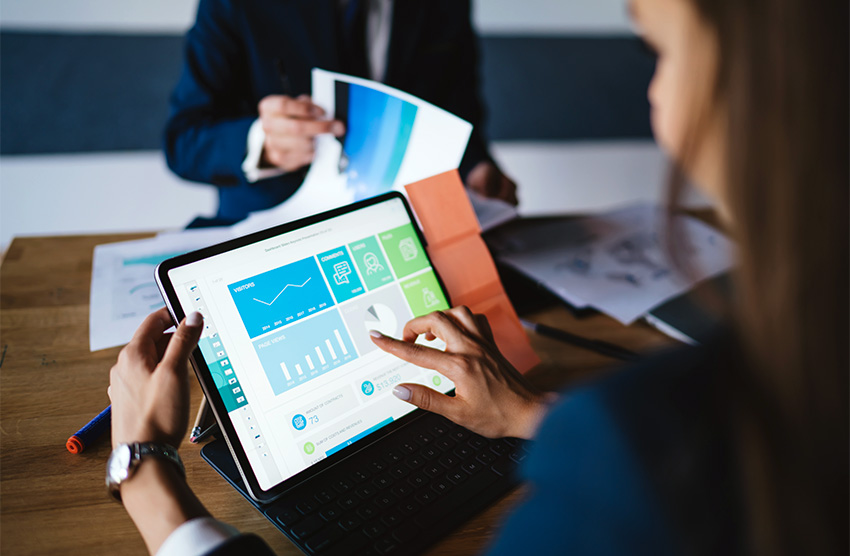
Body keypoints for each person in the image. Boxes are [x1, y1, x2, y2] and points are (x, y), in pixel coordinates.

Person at [110, 0, 847, 554]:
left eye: (660, 51)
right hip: (264, 234)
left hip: (399, 254)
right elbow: (182, 135)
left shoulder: (630, 451)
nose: (653, 96)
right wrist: (256, 139)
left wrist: (145, 470)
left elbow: (465, 129)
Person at [164, 0, 518, 227]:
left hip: (406, 228)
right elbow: (183, 141)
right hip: (274, 231)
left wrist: (475, 165)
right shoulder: (234, 6)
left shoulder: (444, 8)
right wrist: (261, 143)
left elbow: (458, 111)